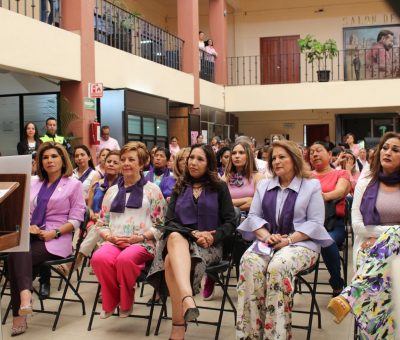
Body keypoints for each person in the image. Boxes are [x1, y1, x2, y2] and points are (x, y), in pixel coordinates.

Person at [236, 140, 333, 339]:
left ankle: (276, 335)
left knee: (278, 267)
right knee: (249, 263)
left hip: (301, 243)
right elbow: (253, 216)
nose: (277, 161)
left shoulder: (311, 185)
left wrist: (288, 240)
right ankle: (250, 335)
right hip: (268, 241)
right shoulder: (264, 185)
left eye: (282, 157)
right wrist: (267, 236)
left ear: (294, 159)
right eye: (273, 158)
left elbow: (315, 222)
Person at [147, 144, 236, 340]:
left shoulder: (219, 187)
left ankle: (178, 326)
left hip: (209, 245)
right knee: (175, 236)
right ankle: (187, 299)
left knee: (170, 261)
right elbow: (169, 222)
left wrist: (214, 236)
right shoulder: (180, 186)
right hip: (180, 240)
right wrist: (193, 233)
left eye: (200, 159)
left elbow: (231, 221)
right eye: (191, 158)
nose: (193, 163)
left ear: (209, 163)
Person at [8, 142, 85, 336]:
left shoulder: (74, 184)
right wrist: (29, 226)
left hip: (56, 238)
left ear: (62, 160)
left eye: (54, 156)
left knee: (17, 254)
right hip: (32, 234)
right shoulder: (33, 182)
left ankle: (21, 309)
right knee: (17, 249)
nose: (49, 160)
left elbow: (77, 219)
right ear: (40, 162)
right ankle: (26, 296)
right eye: (45, 157)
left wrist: (55, 232)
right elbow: (22, 209)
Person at [328, 134, 400, 337]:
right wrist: (390, 235)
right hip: (369, 248)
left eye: (396, 150)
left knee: (396, 234)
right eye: (385, 147)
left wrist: (389, 236)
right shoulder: (366, 182)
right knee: (392, 238)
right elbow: (358, 226)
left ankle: (352, 295)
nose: (388, 152)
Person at [91, 141, 166, 319]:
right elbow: (101, 223)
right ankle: (111, 300)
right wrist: (109, 237)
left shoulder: (152, 191)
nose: (125, 163)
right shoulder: (112, 192)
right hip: (115, 241)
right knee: (99, 258)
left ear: (141, 164)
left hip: (143, 243)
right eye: (122, 159)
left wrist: (141, 237)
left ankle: (126, 299)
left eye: (131, 160)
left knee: (125, 259)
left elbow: (161, 225)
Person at [310, 141, 350, 295]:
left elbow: (340, 192)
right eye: (312, 152)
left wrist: (317, 196)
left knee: (326, 241)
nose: (314, 154)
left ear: (330, 155)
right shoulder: (305, 177)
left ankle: (336, 282)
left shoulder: (340, 174)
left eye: (319, 150)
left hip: (333, 224)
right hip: (309, 224)